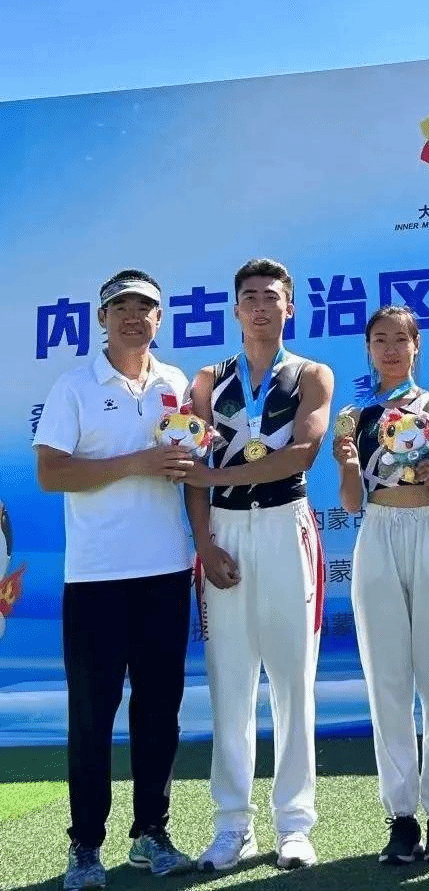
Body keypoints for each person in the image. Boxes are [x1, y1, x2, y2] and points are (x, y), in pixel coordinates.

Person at [34, 270, 196, 889]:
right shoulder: (74, 386)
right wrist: (138, 463)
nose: (133, 316)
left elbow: (188, 463)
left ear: (160, 318)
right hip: (96, 578)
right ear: (102, 319)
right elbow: (51, 473)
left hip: (165, 573)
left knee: (159, 712)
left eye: (145, 307)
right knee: (92, 715)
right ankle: (85, 846)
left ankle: (151, 832)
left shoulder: (176, 383)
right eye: (120, 307)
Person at [183, 258, 333, 872]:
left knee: (293, 681)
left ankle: (294, 825)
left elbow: (303, 452)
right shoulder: (206, 381)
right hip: (224, 531)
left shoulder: (311, 374)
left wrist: (215, 477)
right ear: (236, 310)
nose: (261, 306)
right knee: (230, 682)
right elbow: (190, 467)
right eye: (250, 297)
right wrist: (204, 543)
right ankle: (232, 825)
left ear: (289, 307)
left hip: (284, 525)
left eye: (272, 296)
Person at [332, 305, 429, 865]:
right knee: (386, 679)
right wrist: (347, 465)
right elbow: (350, 502)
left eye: (400, 339)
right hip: (379, 533)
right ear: (368, 350)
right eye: (379, 340)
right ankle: (402, 817)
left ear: (417, 346)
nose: (390, 349)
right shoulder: (355, 417)